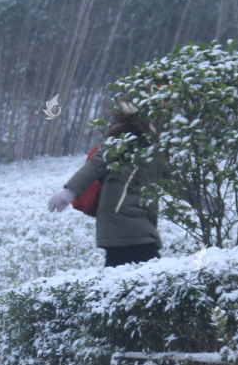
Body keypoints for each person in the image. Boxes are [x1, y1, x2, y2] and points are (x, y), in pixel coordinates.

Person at [47, 99, 164, 267]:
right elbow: (96, 164)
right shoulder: (123, 140)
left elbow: (172, 177)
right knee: (154, 277)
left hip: (132, 223)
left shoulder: (157, 148)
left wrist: (203, 199)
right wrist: (70, 192)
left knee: (120, 282)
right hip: (125, 222)